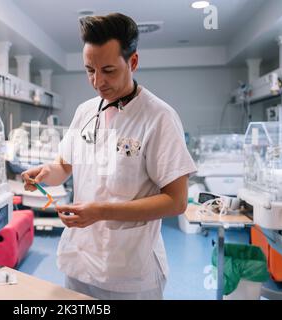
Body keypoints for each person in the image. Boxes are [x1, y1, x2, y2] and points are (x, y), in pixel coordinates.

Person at [22, 13, 197, 300]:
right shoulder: (85, 112)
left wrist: (101, 211)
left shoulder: (159, 118)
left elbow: (176, 201)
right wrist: (44, 173)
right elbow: (63, 166)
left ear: (133, 62)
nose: (97, 81)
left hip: (130, 270)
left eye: (108, 70)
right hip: (80, 263)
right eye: (89, 70)